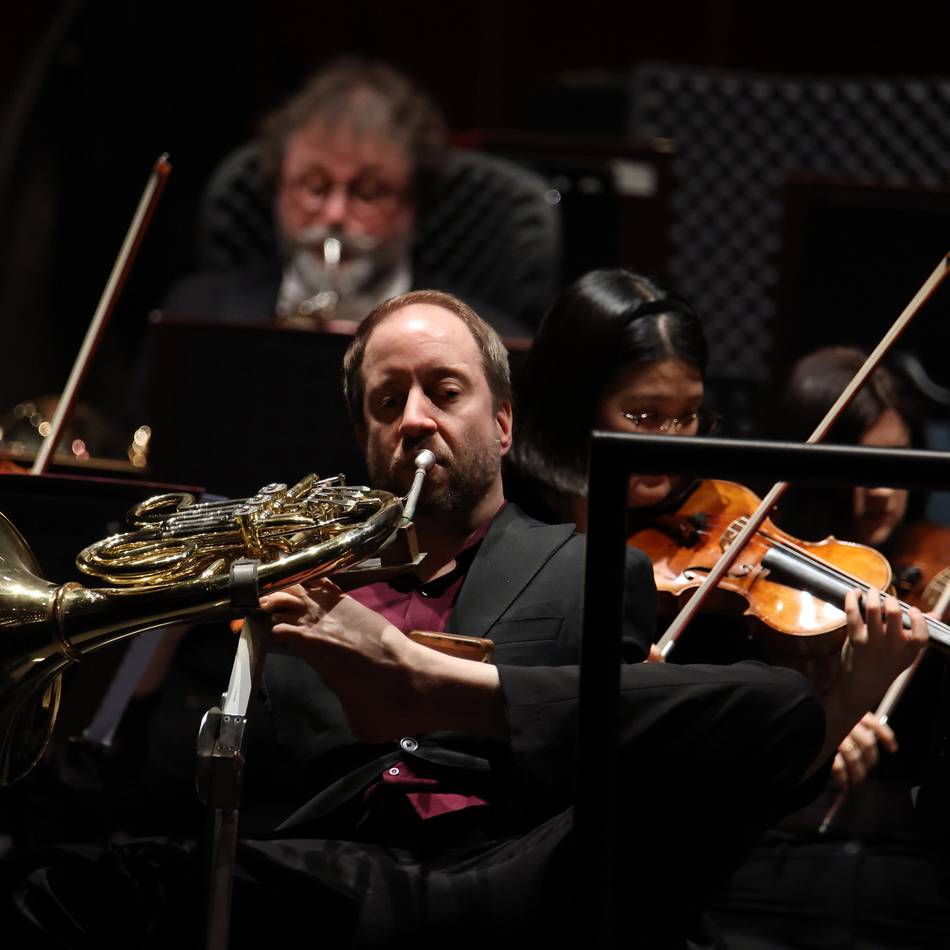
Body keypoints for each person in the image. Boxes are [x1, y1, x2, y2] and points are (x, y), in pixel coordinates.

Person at [2, 293, 925, 950]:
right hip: (329, 884)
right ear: (362, 435)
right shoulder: (286, 577)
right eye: (386, 400)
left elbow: (652, 758)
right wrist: (160, 652)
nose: (415, 419)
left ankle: (432, 684)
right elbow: (168, 785)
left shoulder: (588, 568)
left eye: (445, 391)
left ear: (506, 423)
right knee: (59, 890)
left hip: (518, 872)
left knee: (765, 705)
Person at [709, 346, 950, 950]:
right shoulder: (753, 588)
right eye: (856, 466)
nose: (880, 493)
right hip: (770, 870)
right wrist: (825, 728)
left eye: (898, 465)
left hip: (906, 872)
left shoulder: (932, 560)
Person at [162, 58, 533, 336]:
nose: (335, 214)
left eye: (368, 192)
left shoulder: (490, 344)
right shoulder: (191, 314)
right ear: (278, 190)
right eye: (315, 187)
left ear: (415, 206)